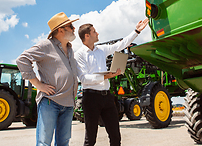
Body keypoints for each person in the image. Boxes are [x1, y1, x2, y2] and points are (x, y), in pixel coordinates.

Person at [75, 18, 149, 146]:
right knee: (90, 139)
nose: (97, 33)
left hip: (107, 97)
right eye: (94, 32)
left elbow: (121, 44)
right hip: (91, 98)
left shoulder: (101, 50)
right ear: (87, 36)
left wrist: (136, 31)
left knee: (115, 136)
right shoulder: (79, 55)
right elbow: (84, 78)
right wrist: (106, 76)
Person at [16, 12, 79, 146]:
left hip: (68, 103)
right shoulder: (46, 45)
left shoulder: (70, 49)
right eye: (71, 26)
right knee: (44, 142)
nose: (74, 29)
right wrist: (38, 85)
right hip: (51, 102)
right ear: (61, 30)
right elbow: (22, 60)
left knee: (63, 143)